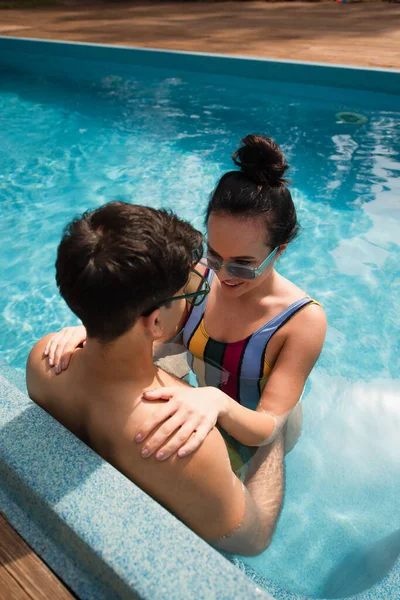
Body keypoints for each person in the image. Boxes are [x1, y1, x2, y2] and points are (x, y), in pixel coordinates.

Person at [45, 135, 326, 465]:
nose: (224, 274)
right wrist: (97, 332)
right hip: (201, 404)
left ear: (280, 250)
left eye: (243, 264)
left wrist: (215, 401)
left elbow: (269, 425)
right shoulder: (199, 274)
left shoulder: (301, 322)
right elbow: (148, 325)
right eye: (216, 255)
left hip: (257, 429)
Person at [26, 201, 284, 556]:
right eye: (188, 292)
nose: (194, 298)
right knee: (282, 426)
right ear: (156, 323)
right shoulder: (184, 441)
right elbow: (253, 539)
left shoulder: (44, 360)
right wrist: (273, 437)